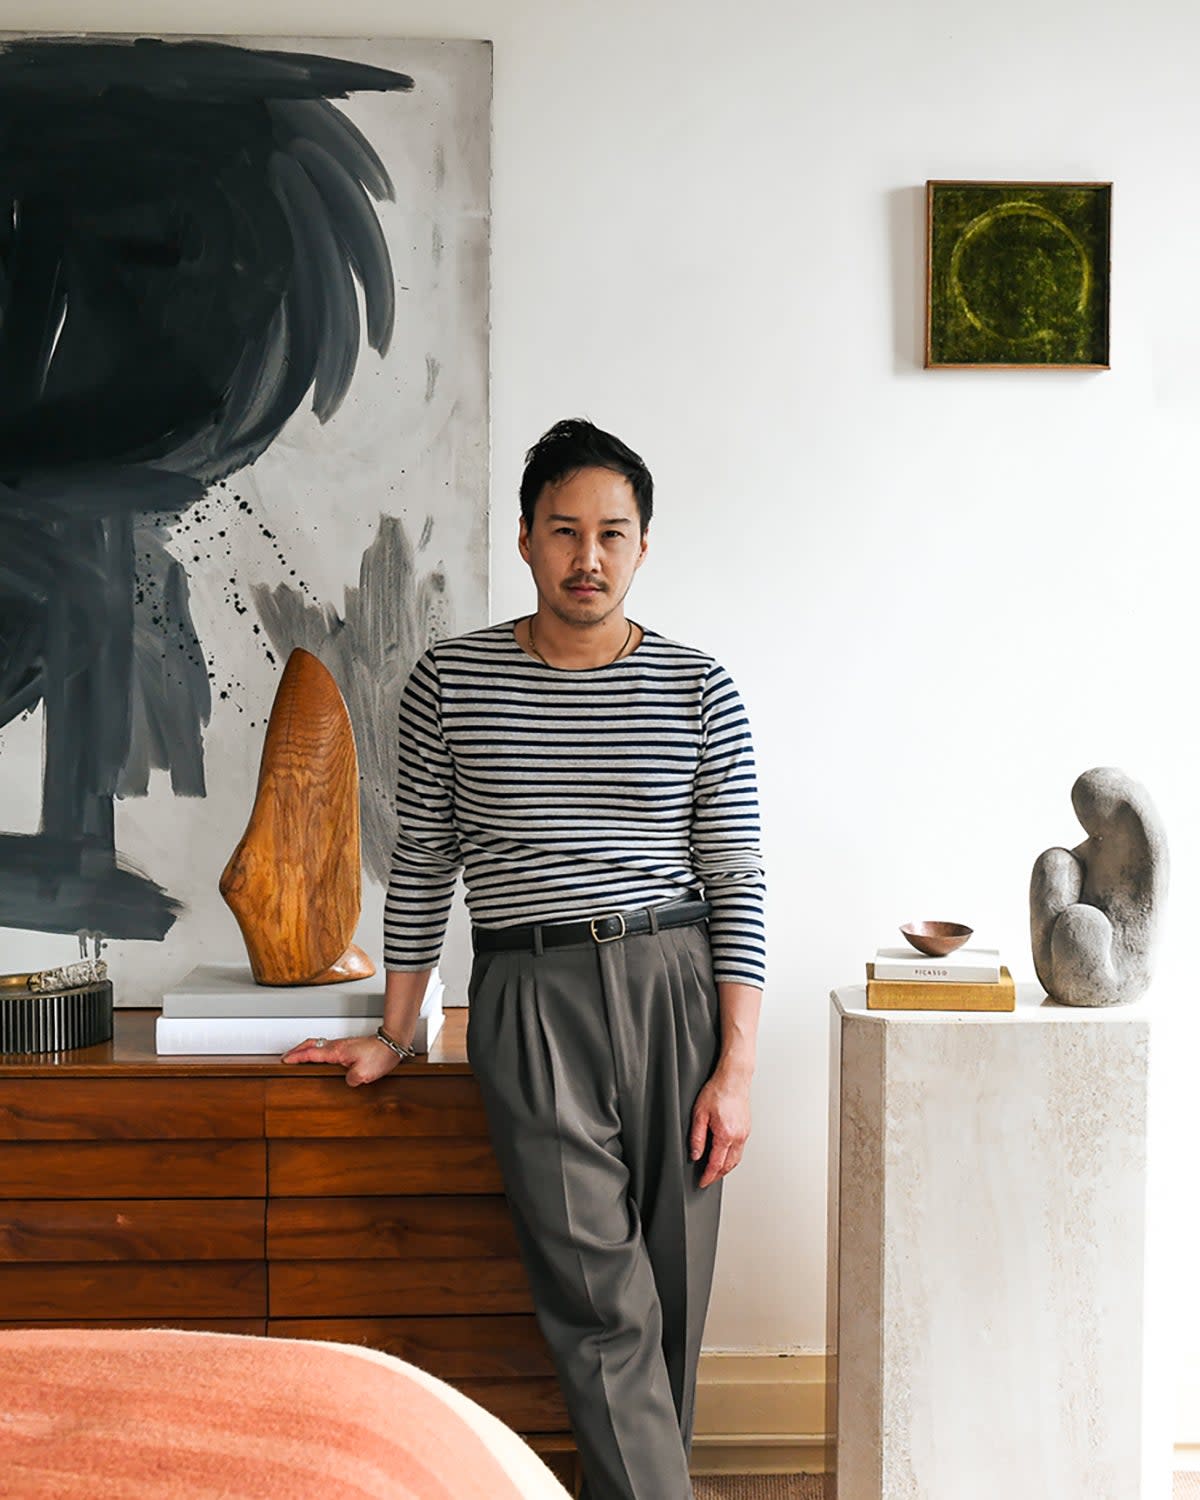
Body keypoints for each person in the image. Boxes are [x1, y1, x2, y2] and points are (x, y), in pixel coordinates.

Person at [283, 418, 766, 1500]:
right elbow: (423, 865)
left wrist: (735, 1069)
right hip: (529, 994)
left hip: (678, 991)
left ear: (643, 546)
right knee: (603, 1307)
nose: (587, 557)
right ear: (524, 540)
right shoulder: (451, 682)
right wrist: (394, 1034)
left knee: (671, 1313)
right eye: (564, 531)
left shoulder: (700, 688)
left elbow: (736, 878)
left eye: (611, 532)